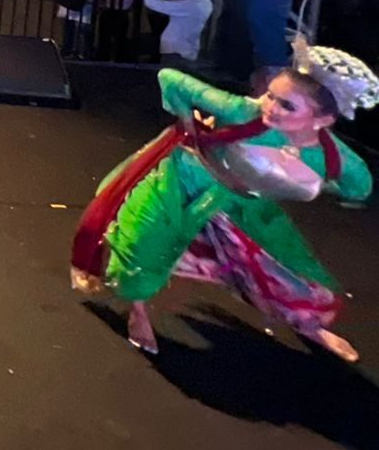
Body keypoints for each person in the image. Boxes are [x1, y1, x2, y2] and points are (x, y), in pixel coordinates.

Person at [71, 42, 378, 360]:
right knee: (144, 245)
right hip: (187, 178)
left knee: (288, 264)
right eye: (270, 94)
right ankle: (138, 312)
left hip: (241, 201)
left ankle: (307, 325)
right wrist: (187, 122)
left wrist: (306, 183)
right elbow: (169, 78)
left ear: (322, 120)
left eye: (287, 106)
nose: (269, 106)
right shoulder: (243, 110)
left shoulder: (334, 155)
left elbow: (359, 188)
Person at [141, 0, 214, 65]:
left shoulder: (192, 6)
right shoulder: (203, 2)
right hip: (183, 51)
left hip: (177, 53)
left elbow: (153, 4)